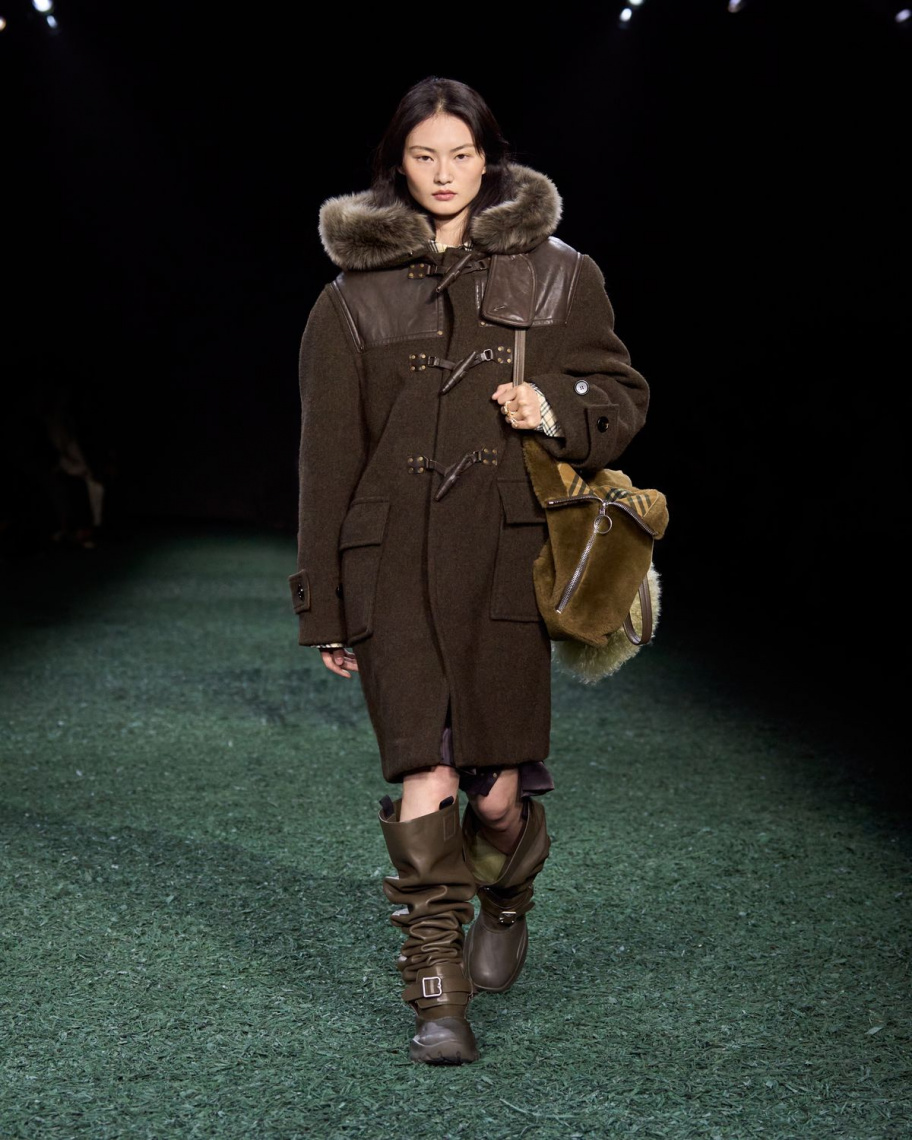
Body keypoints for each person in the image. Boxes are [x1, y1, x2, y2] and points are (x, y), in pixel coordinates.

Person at [289, 76, 650, 1065]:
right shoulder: (349, 299)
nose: (443, 174)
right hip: (392, 562)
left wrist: (558, 409)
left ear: (489, 159)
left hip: (505, 556)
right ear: (396, 167)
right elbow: (327, 460)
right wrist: (325, 603)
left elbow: (621, 392)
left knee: (493, 791)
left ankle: (509, 892)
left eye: (460, 154)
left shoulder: (560, 274)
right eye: (423, 156)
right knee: (428, 769)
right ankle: (437, 998)